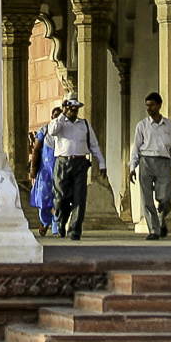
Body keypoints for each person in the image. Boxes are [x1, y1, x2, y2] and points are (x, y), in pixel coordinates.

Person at [46, 97, 106, 241]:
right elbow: (52, 131)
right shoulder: (59, 123)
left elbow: (94, 145)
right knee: (61, 199)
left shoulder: (84, 124)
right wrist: (62, 114)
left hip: (80, 163)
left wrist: (102, 163)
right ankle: (61, 222)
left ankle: (75, 229)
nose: (73, 112)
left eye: (75, 109)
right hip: (62, 163)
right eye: (71, 109)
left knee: (79, 197)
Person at [130, 91, 171, 240]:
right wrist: (132, 167)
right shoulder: (142, 126)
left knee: (165, 198)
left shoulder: (170, 125)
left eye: (152, 105)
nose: (149, 108)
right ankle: (154, 230)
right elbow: (136, 148)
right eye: (147, 106)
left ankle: (161, 220)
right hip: (146, 161)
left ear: (159, 105)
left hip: (163, 162)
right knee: (146, 199)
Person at [28, 105, 63, 235]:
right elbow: (36, 150)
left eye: (59, 116)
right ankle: (45, 222)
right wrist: (33, 169)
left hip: (60, 171)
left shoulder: (65, 133)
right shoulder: (44, 130)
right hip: (45, 171)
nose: (56, 119)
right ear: (51, 118)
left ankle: (56, 227)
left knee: (58, 199)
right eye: (54, 116)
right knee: (44, 198)